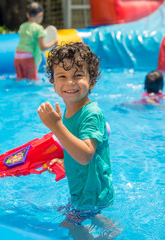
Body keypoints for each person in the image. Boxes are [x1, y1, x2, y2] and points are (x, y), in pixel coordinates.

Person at [37, 42, 114, 226]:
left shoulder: (91, 113)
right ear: (53, 83)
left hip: (92, 192)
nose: (70, 83)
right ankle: (111, 231)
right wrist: (64, 160)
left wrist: (56, 126)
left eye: (78, 75)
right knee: (91, 221)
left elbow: (86, 154)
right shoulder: (69, 110)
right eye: (62, 76)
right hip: (82, 188)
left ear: (92, 82)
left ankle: (112, 232)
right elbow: (76, 147)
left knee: (70, 226)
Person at [14, 2, 58, 81]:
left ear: (27, 15)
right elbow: (43, 47)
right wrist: (53, 43)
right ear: (40, 14)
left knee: (20, 79)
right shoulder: (39, 28)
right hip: (28, 57)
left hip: (17, 55)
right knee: (32, 80)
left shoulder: (23, 26)